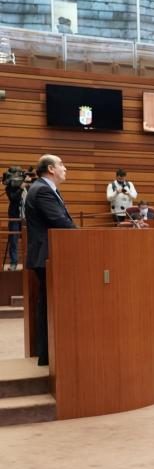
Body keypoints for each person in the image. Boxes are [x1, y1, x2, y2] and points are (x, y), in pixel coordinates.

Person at [25, 155, 76, 365]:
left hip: (49, 254)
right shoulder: (43, 190)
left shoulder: (44, 188)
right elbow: (59, 221)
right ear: (50, 169)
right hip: (48, 255)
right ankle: (47, 355)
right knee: (49, 305)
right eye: (61, 165)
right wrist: (81, 237)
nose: (65, 168)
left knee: (48, 303)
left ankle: (47, 355)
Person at [3, 167, 26, 270]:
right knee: (13, 240)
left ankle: (29, 262)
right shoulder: (10, 187)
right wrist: (21, 188)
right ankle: (13, 263)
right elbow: (13, 199)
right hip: (15, 216)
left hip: (27, 217)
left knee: (30, 240)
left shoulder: (28, 185)